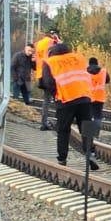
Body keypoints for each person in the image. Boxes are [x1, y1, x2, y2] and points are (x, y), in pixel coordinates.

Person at [40, 41, 98, 170]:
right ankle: (91, 153)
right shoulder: (79, 57)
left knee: (63, 130)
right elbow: (88, 71)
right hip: (84, 97)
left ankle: (62, 159)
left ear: (52, 52)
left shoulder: (50, 62)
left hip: (65, 99)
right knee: (87, 127)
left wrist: (56, 94)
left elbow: (48, 83)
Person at [34, 29, 60, 130]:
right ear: (54, 35)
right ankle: (59, 123)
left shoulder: (39, 44)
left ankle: (43, 123)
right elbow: (61, 51)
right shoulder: (52, 42)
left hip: (41, 74)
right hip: (51, 74)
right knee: (58, 99)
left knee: (46, 100)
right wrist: (58, 41)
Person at [87, 56, 110, 125]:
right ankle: (95, 133)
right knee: (98, 115)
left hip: (88, 97)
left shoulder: (85, 71)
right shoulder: (103, 71)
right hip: (99, 97)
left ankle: (88, 133)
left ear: (89, 64)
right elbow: (108, 80)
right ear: (97, 63)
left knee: (88, 115)